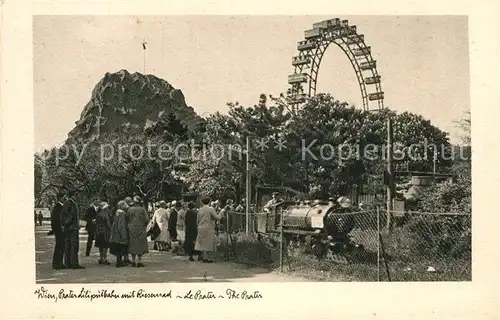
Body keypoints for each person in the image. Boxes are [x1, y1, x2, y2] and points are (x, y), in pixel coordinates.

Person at [195, 196, 222, 263]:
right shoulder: (210, 209)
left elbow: (197, 220)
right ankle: (206, 258)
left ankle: (203, 256)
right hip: (208, 228)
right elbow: (217, 217)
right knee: (207, 243)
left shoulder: (200, 210)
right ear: (209, 202)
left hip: (200, 227)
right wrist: (221, 213)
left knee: (202, 242)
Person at [61, 191, 85, 269]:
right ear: (73, 196)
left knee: (68, 246)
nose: (77, 197)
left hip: (69, 228)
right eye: (76, 195)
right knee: (74, 246)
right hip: (72, 228)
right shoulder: (71, 203)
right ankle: (74, 264)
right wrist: (70, 224)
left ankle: (68, 263)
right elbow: (70, 216)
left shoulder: (68, 203)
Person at [127, 196, 149, 267]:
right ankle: (139, 261)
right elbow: (147, 219)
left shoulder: (130, 209)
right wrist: (144, 225)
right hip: (140, 228)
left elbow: (127, 218)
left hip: (131, 229)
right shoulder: (142, 209)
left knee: (133, 244)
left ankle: (133, 261)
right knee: (140, 245)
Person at [109, 200, 129, 267]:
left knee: (118, 248)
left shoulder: (117, 212)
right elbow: (121, 225)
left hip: (116, 233)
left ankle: (119, 262)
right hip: (120, 234)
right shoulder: (122, 213)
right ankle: (119, 263)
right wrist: (124, 235)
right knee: (121, 248)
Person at [50, 191, 67, 269]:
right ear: (60, 198)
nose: (66, 198)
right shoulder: (58, 207)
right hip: (60, 230)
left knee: (61, 246)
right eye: (64, 197)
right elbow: (56, 219)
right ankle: (57, 264)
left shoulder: (61, 206)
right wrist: (60, 228)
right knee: (59, 246)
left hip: (61, 230)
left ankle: (59, 263)